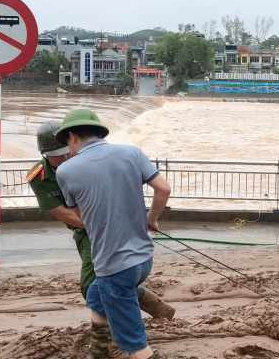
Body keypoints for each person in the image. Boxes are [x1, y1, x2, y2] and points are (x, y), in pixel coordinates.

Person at [53, 108, 174, 359]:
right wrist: (151, 219)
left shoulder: (66, 171)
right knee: (96, 295)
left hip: (112, 265)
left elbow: (84, 216)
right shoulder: (132, 152)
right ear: (98, 133)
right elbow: (164, 189)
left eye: (67, 142)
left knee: (129, 333)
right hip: (143, 259)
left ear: (71, 137)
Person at [27, 119, 175, 320]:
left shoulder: (92, 161)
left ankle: (111, 333)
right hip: (87, 231)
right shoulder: (39, 176)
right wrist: (103, 223)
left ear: (72, 142)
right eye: (56, 156)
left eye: (66, 152)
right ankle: (144, 314)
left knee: (94, 287)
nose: (64, 158)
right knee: (107, 282)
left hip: (110, 228)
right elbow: (64, 213)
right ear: (44, 155)